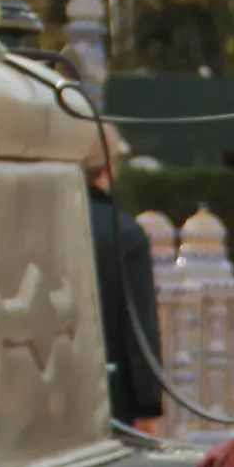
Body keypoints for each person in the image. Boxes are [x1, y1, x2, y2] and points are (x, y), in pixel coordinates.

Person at [84, 124, 165, 432]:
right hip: (111, 399)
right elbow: (139, 329)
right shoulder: (124, 235)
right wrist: (148, 405)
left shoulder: (35, 226)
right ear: (108, 165)